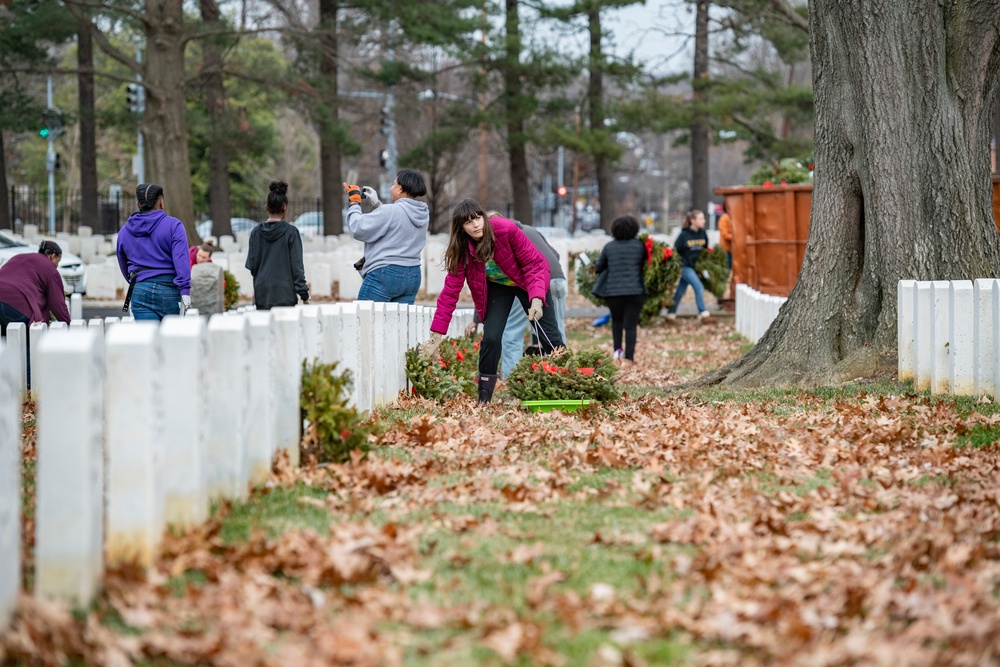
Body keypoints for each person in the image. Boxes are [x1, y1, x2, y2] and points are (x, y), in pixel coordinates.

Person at [420, 199, 564, 404]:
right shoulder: (461, 250)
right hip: (498, 287)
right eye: (469, 223)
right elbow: (450, 292)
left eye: (478, 218)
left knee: (548, 335)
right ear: (461, 228)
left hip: (527, 281)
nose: (476, 224)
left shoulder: (506, 229)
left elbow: (535, 264)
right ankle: (484, 398)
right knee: (492, 338)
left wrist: (537, 298)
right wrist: (437, 335)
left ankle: (566, 382)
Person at [465, 212, 567, 379]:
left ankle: (512, 377)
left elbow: (527, 266)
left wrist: (536, 297)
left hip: (529, 281)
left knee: (513, 330)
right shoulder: (531, 230)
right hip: (557, 278)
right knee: (554, 330)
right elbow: (553, 254)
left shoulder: (506, 236)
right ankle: (565, 373)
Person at [343, 169, 429, 304]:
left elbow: (357, 228)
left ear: (400, 189)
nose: (391, 188)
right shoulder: (422, 213)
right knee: (399, 324)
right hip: (412, 275)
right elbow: (398, 223)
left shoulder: (390, 211)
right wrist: (378, 205)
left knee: (367, 320)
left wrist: (354, 203)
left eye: (394, 184)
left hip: (385, 273)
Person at [116, 183, 192, 320]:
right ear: (161, 202)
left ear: (139, 204)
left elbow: (123, 263)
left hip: (140, 289)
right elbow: (181, 259)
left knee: (148, 339)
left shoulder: (124, 231)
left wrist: (138, 282)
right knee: (171, 340)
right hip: (168, 290)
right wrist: (185, 289)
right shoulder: (174, 226)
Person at [245, 180, 309, 310]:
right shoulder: (291, 233)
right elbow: (297, 268)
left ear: (266, 206)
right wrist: (304, 295)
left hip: (262, 294)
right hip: (285, 295)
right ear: (284, 207)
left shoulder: (255, 233)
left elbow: (252, 266)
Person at [592, 215, 646, 364]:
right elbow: (645, 264)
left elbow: (599, 267)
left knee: (616, 322)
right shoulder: (640, 245)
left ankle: (617, 353)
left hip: (613, 293)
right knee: (630, 325)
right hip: (635, 291)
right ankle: (629, 358)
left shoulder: (609, 247)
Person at [0, 240, 71, 334]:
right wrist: (70, 327)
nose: (56, 266)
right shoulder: (49, 267)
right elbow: (57, 304)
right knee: (27, 341)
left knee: (7, 341)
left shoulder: (18, 257)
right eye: (57, 261)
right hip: (18, 304)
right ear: (52, 256)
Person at [666, 209, 710, 321]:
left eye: (703, 218)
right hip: (684, 266)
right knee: (698, 286)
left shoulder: (703, 233)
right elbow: (676, 251)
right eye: (700, 218)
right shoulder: (683, 235)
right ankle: (703, 312)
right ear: (692, 221)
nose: (703, 221)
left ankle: (671, 313)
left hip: (695, 267)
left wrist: (701, 268)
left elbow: (704, 251)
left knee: (681, 290)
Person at [717, 203, 733, 269]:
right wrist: (737, 238)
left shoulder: (734, 217)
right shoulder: (724, 217)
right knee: (726, 269)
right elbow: (725, 235)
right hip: (725, 250)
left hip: (733, 250)